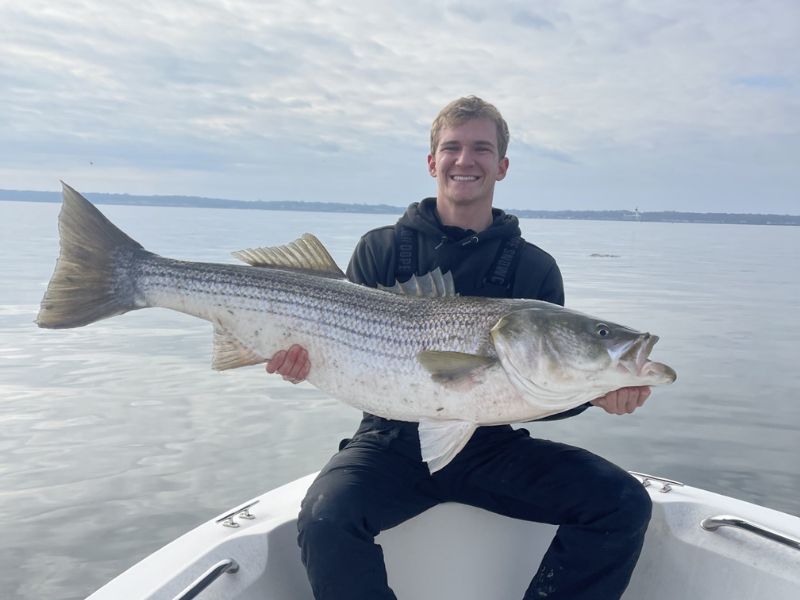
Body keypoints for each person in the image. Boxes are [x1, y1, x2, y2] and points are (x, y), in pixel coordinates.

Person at [266, 96, 652, 600]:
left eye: (481, 149)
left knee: (621, 503)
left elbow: (539, 389)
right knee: (326, 518)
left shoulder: (535, 269)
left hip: (490, 445)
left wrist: (596, 393)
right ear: (432, 161)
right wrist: (306, 363)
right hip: (388, 442)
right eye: (452, 148)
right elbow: (347, 355)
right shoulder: (379, 249)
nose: (465, 161)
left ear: (502, 165)